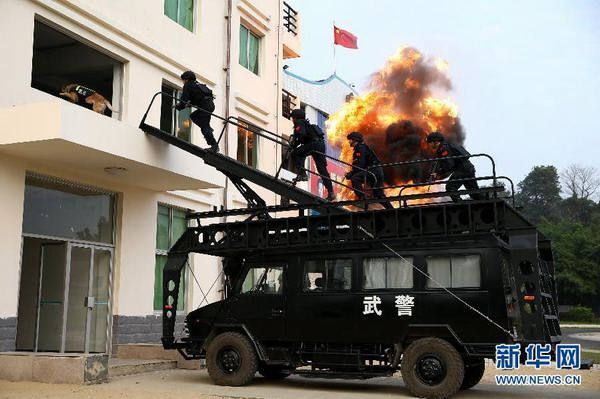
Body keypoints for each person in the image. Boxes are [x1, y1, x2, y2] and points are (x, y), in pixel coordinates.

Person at [289, 109, 335, 201]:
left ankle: (302, 174)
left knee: (295, 153)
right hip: (320, 145)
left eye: (293, 118)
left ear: (296, 118)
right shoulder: (307, 124)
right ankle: (331, 192)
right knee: (322, 169)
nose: (293, 120)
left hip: (313, 144)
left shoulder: (299, 123)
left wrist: (293, 145)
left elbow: (301, 135)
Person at [426, 131, 483, 202]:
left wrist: (439, 173)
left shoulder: (444, 148)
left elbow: (449, 164)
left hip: (463, 170)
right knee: (474, 192)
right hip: (468, 168)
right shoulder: (445, 147)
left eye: (431, 143)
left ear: (436, 142)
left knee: (450, 188)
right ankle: (485, 202)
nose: (430, 145)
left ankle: (460, 205)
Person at [345, 132, 393, 210]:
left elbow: (360, 164)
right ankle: (391, 210)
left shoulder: (360, 148)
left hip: (373, 171)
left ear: (355, 140)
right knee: (379, 195)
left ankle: (362, 200)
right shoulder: (363, 147)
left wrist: (351, 173)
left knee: (355, 178)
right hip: (378, 171)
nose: (349, 141)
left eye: (350, 139)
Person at [176, 71, 218, 152]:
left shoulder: (188, 85)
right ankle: (207, 129)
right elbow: (197, 99)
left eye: (183, 80)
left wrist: (179, 107)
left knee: (204, 126)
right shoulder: (197, 85)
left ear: (187, 79)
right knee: (193, 116)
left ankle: (214, 145)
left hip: (205, 106)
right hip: (209, 105)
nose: (183, 82)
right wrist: (188, 105)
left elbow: (183, 100)